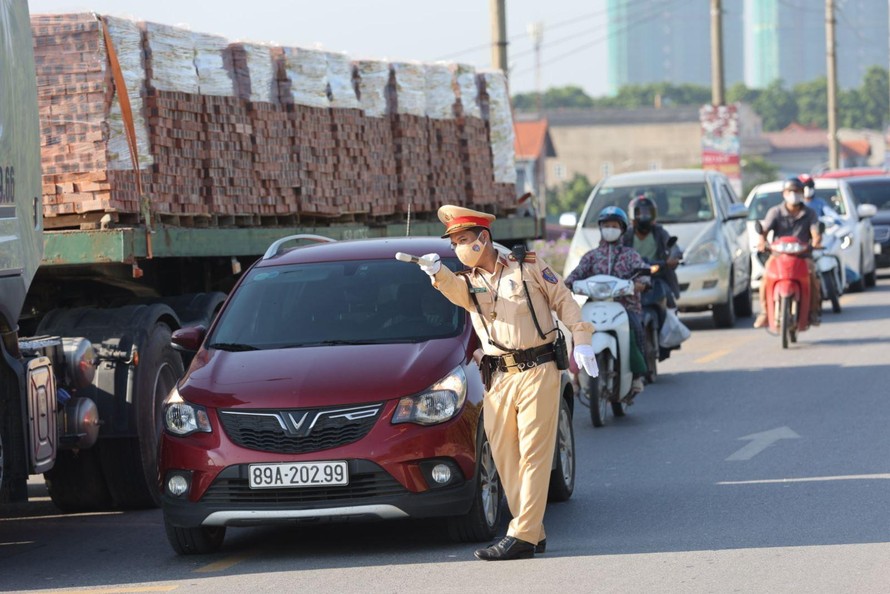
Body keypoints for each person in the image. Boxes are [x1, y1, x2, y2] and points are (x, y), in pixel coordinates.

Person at [418, 205, 597, 562]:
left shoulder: (526, 267)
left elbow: (563, 299)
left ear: (483, 239)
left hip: (537, 369)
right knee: (504, 456)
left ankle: (523, 534)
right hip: (498, 377)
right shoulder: (468, 281)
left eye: (463, 240)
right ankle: (533, 530)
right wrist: (437, 273)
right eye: (453, 243)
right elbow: (457, 292)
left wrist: (582, 337)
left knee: (533, 453)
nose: (458, 249)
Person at [564, 206, 649, 395]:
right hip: (594, 304)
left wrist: (641, 283)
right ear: (601, 228)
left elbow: (643, 273)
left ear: (622, 229)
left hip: (625, 306)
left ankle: (636, 376)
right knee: (578, 330)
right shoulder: (591, 256)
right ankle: (576, 376)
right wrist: (568, 283)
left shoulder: (630, 255)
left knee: (636, 329)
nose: (610, 229)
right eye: (606, 225)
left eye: (614, 225)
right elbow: (575, 274)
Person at [753, 177, 822, 328]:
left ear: (802, 193)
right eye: (790, 191)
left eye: (796, 191)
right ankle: (764, 312)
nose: (793, 194)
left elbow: (815, 231)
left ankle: (814, 312)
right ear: (784, 193)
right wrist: (761, 241)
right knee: (765, 279)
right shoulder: (775, 212)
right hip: (778, 256)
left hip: (803, 256)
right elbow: (764, 230)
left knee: (813, 279)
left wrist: (816, 241)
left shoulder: (810, 213)